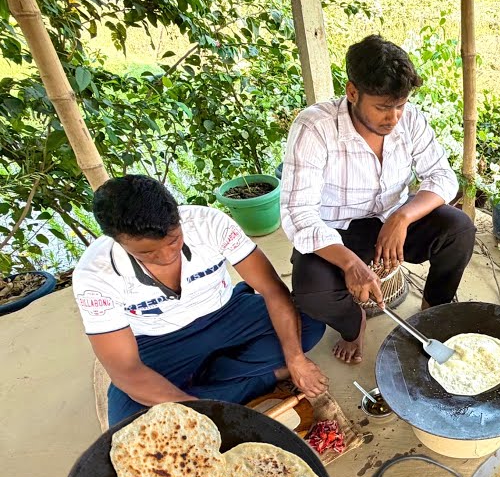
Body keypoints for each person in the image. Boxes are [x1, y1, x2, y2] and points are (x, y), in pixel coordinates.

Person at [281, 34, 477, 365]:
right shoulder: (315, 127)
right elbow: (298, 214)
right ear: (352, 92)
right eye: (384, 107)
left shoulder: (410, 118)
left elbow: (442, 177)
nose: (394, 118)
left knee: (459, 229)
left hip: (393, 217)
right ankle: (351, 323)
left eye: (400, 105)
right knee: (310, 294)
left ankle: (433, 308)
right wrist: (349, 263)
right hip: (336, 230)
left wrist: (402, 218)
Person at [73, 175, 328, 427]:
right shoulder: (94, 274)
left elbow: (272, 289)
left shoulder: (209, 223)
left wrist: (296, 359)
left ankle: (211, 382)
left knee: (311, 323)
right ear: (117, 240)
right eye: (147, 253)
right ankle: (258, 379)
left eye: (174, 240)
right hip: (160, 342)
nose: (166, 256)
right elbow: (126, 369)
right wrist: (197, 410)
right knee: (129, 421)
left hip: (227, 314)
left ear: (178, 217)